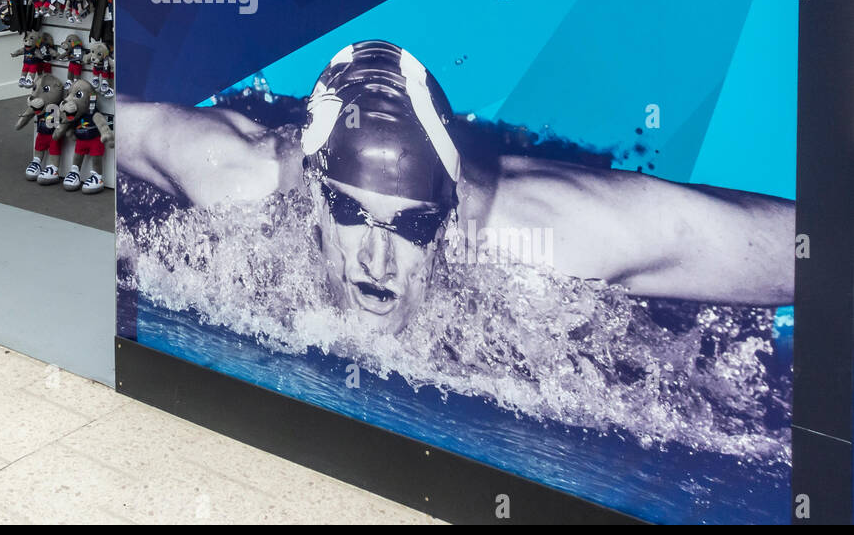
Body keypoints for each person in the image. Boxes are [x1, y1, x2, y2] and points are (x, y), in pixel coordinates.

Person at [119, 41, 794, 333]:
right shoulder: (240, 179)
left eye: (412, 224)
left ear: (448, 213)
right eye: (353, 212)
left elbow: (767, 244)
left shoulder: (538, 237)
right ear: (314, 193)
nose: (377, 262)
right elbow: (105, 120)